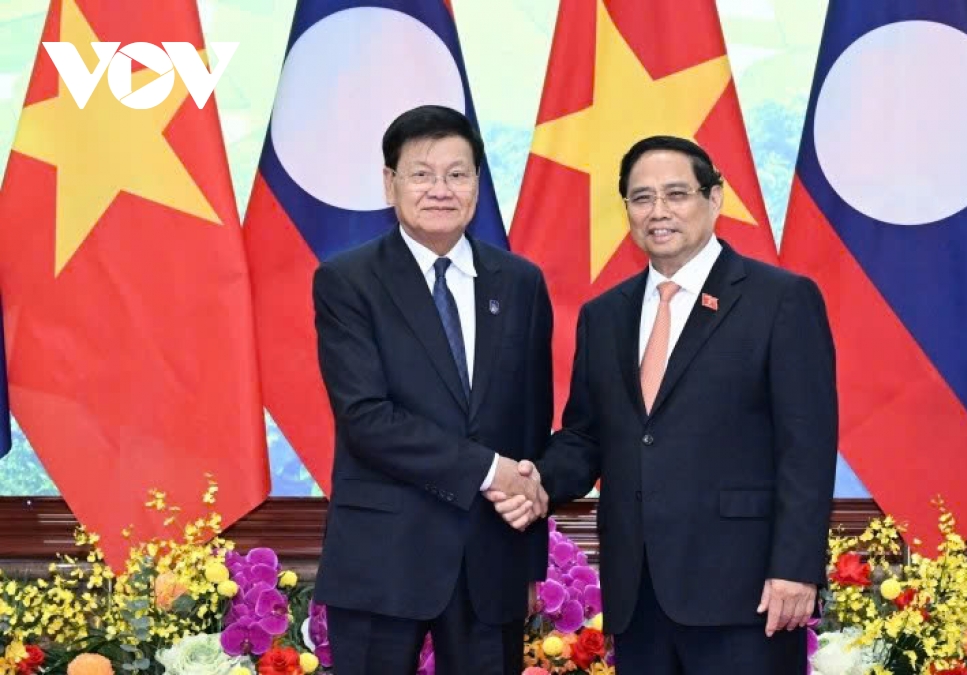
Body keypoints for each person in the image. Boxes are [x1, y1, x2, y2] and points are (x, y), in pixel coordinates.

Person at [491, 136, 838, 674]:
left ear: (715, 198)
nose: (659, 211)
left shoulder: (780, 299)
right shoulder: (604, 315)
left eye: (676, 194)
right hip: (639, 596)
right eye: (642, 197)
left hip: (748, 595)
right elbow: (586, 437)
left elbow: (808, 446)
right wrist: (536, 481)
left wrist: (796, 567)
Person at [312, 104, 553, 675]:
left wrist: (527, 562)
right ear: (390, 183)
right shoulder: (347, 281)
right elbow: (367, 418)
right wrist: (491, 471)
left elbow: (530, 425)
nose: (440, 189)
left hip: (491, 561)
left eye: (457, 173)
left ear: (477, 183)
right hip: (383, 559)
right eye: (422, 174)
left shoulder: (520, 282)